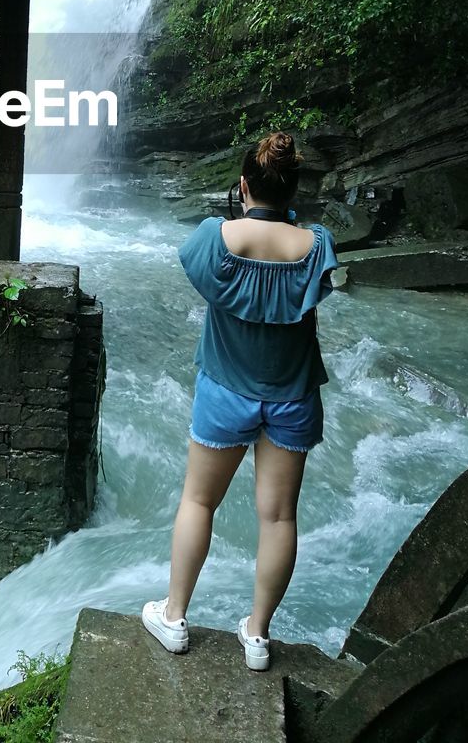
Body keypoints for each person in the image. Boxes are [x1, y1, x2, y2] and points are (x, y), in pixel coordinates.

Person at [141, 130, 338, 671]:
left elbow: (204, 279)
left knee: (199, 502)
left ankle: (175, 617)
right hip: (293, 397)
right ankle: (256, 636)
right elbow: (309, 308)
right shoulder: (317, 246)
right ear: (293, 191)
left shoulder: (215, 238)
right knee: (278, 518)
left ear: (243, 185)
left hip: (226, 390)